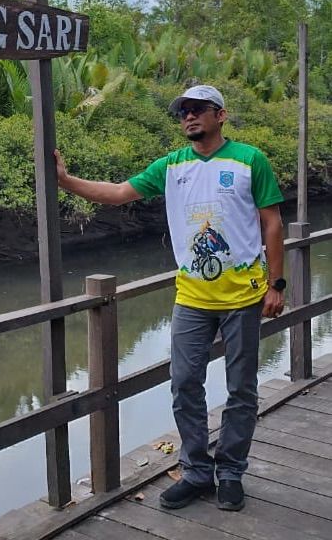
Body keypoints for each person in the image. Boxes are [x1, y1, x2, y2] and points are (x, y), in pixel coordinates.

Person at [54, 84, 285, 512]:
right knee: (184, 385)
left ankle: (231, 470)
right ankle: (197, 472)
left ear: (221, 115)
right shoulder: (172, 166)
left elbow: (272, 224)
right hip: (192, 298)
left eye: (198, 110)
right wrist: (66, 181)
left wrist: (277, 284)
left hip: (244, 296)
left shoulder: (251, 160)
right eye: (183, 113)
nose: (189, 118)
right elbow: (119, 192)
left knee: (241, 389)